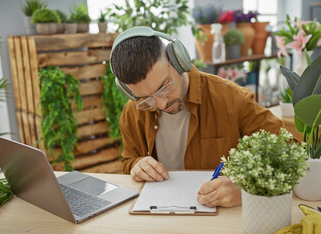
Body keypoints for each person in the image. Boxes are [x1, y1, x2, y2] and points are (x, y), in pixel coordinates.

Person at [109, 26, 283, 208]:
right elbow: (129, 160)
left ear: (179, 60)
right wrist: (137, 165)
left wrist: (248, 184)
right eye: (146, 98)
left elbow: (287, 152)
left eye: (164, 87)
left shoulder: (233, 100)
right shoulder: (133, 112)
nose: (161, 104)